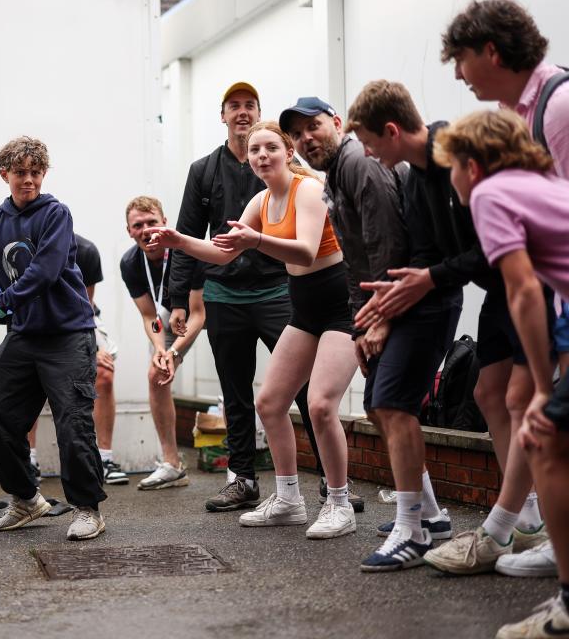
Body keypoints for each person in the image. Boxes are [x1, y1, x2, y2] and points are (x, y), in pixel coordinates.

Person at [349, 80, 550, 574]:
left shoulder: (460, 159)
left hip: (525, 283)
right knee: (488, 395)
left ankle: (523, 521)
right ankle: (526, 513)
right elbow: (428, 254)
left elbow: (495, 244)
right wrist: (396, 296)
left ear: (392, 131)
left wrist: (429, 279)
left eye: (372, 144)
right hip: (498, 289)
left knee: (524, 401)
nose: (371, 156)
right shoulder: (416, 179)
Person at [149, 121, 358, 539]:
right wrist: (181, 242)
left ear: (287, 153)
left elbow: (305, 248)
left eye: (271, 148)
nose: (262, 155)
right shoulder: (262, 200)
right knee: (270, 402)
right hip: (304, 309)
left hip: (340, 305)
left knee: (319, 405)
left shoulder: (309, 189)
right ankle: (289, 499)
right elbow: (224, 252)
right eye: (255, 150)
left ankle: (339, 503)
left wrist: (255, 241)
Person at [281, 94, 455, 569]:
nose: (304, 140)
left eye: (312, 127)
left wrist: (376, 319)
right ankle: (430, 517)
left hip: (412, 299)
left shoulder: (357, 163)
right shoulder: (335, 176)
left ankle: (413, 527)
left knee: (389, 406)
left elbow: (385, 245)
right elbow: (356, 262)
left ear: (337, 123)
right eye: (296, 135)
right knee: (384, 408)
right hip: (382, 302)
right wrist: (362, 323)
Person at [440, 0, 568, 578]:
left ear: (491, 50)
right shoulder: (521, 113)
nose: (459, 74)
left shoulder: (559, 105)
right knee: (531, 416)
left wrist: (547, 377)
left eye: (462, 60)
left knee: (542, 421)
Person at [433, 107, 569, 639]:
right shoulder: (540, 185)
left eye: (451, 168)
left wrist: (541, 386)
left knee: (545, 436)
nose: (450, 181)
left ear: (472, 165)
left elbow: (525, 290)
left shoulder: (492, 196)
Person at [0, 135, 108, 541]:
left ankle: (88, 509)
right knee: (0, 418)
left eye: (36, 173)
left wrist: (0, 307)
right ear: (5, 175)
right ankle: (26, 499)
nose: (29, 180)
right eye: (20, 173)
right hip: (24, 336)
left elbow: (45, 270)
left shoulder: (56, 214)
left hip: (69, 335)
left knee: (73, 424)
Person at [120, 195, 206, 490]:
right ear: (129, 231)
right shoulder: (131, 263)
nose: (146, 229)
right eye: (138, 225)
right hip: (168, 315)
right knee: (156, 373)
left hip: (211, 306)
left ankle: (240, 468)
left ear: (165, 223)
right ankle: (172, 464)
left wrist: (174, 351)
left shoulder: (185, 252)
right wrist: (160, 350)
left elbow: (198, 314)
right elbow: (149, 315)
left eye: (152, 222)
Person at [27, 233, 127, 486]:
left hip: (78, 319)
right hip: (33, 319)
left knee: (103, 373)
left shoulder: (86, 251)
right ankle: (28, 460)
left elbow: (85, 306)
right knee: (28, 376)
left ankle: (104, 458)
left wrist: (91, 350)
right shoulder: (22, 247)